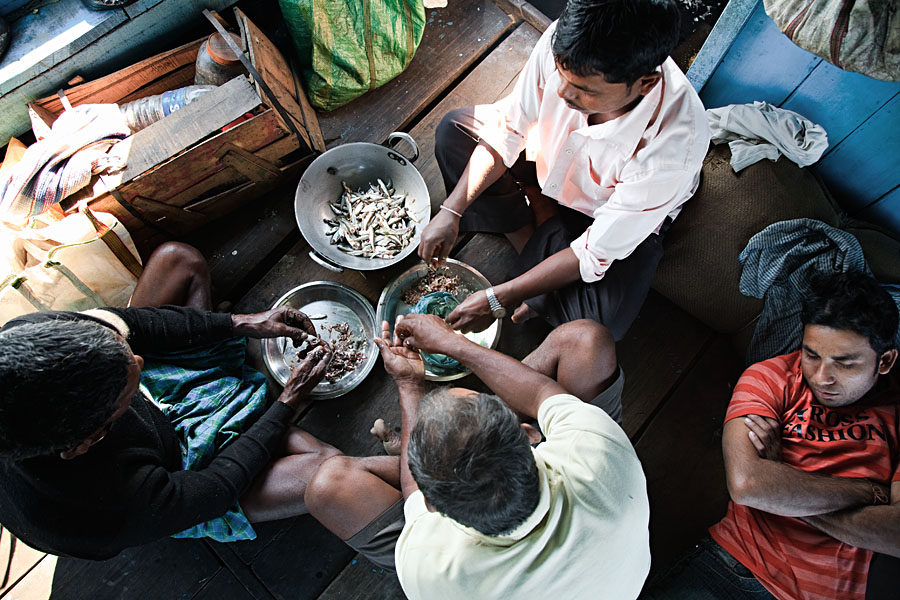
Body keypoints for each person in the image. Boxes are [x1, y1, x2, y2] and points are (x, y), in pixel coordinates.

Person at [0, 242, 341, 559]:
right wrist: (288, 400)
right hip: (183, 472)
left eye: (125, 353)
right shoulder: (96, 511)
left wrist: (239, 323)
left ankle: (200, 372)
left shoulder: (30, 338)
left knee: (177, 260)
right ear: (85, 442)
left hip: (150, 401)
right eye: (127, 387)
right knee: (326, 467)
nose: (140, 362)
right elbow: (218, 486)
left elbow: (133, 325)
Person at [419, 0, 709, 342]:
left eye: (585, 91)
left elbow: (593, 251)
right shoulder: (568, 43)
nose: (562, 93)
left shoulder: (674, 147)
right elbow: (511, 127)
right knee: (455, 132)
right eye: (560, 73)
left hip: (602, 214)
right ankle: (536, 243)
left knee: (598, 327)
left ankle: (542, 244)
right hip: (551, 160)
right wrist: (451, 211)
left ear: (645, 83)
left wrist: (501, 297)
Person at [304, 315, 650, 599]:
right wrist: (454, 343)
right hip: (607, 565)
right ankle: (444, 456)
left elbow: (411, 495)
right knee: (585, 340)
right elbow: (544, 392)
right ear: (530, 433)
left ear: (433, 507)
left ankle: (435, 458)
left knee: (328, 487)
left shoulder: (434, 570)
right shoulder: (598, 449)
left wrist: (410, 386)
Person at [641, 270, 900, 600]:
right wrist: (868, 492)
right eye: (812, 355)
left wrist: (785, 483)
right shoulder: (770, 377)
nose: (822, 377)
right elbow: (748, 485)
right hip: (735, 569)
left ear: (885, 361)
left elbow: (896, 534)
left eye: (844, 363)